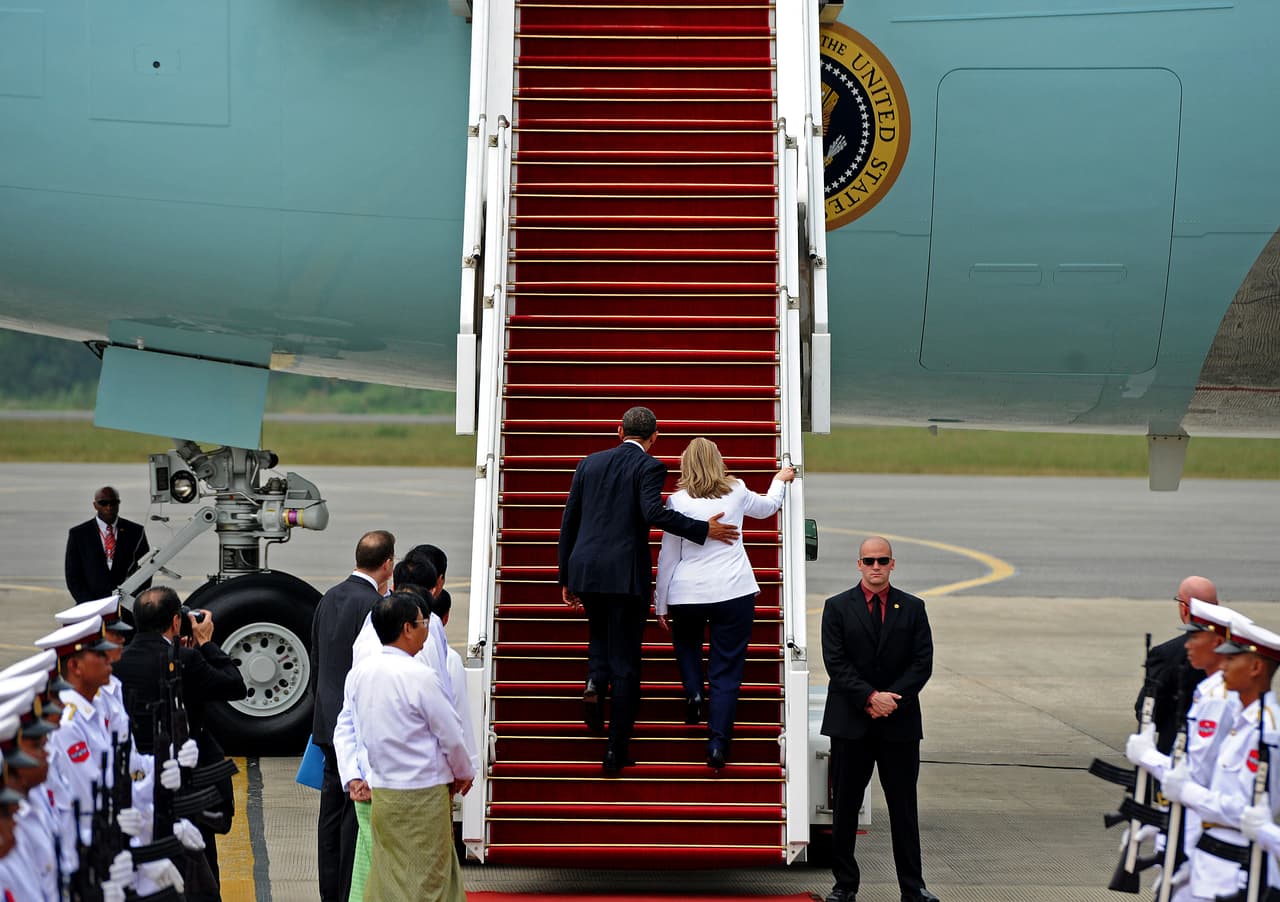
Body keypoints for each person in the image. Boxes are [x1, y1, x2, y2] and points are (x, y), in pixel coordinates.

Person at [558, 406, 739, 775]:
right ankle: (615, 751)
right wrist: (703, 529)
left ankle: (594, 679)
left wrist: (566, 576)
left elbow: (570, 519)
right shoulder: (650, 467)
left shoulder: (587, 464)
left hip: (586, 569)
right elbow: (652, 513)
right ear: (653, 438)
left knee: (598, 632)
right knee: (626, 663)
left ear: (618, 430)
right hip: (624, 576)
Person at [654, 437, 794, 768]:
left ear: (685, 464)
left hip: (687, 592)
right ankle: (717, 744)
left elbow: (668, 556)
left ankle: (694, 691)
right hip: (733, 591)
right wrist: (779, 479)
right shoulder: (737, 490)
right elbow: (768, 507)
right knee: (726, 669)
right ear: (719, 461)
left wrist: (661, 603)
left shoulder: (676, 502)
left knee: (686, 645)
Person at [820, 537, 939, 902]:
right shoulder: (837, 607)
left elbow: (922, 663)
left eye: (882, 560)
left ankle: (913, 887)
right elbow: (836, 663)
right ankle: (844, 885)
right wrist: (870, 697)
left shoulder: (914, 607)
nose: (875, 566)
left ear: (893, 564)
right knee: (844, 809)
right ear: (858, 564)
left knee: (903, 808)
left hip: (898, 725)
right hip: (851, 723)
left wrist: (891, 701)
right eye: (869, 560)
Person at [110, 586, 247, 889]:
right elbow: (235, 686)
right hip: (184, 781)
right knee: (199, 868)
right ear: (175, 622)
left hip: (136, 783)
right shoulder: (186, 660)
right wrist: (206, 644)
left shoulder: (118, 662)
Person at [345, 592, 473, 902]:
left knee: (389, 874)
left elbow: (349, 725)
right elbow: (451, 735)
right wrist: (464, 771)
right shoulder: (420, 676)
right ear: (406, 629)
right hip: (423, 794)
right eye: (423, 623)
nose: (426, 629)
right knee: (430, 878)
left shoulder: (359, 674)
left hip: (385, 791)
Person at [1125, 600, 1247, 889]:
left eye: (1195, 637)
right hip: (1193, 822)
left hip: (1210, 834)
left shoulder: (1219, 697)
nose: (1187, 645)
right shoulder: (1208, 690)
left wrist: (1150, 758)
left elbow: (1197, 775)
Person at [1161, 618, 1280, 901]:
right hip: (1208, 858)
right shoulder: (1241, 723)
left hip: (1238, 868)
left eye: (1232, 659)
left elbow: (1252, 810)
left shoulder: (1269, 732)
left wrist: (1188, 792)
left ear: (1255, 667)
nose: (1222, 665)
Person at [310, 530, 394, 902]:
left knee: (329, 816)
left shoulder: (329, 598)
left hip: (326, 724)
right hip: (353, 726)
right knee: (352, 822)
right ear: (388, 564)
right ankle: (346, 892)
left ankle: (329, 891)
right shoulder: (374, 607)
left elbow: (317, 660)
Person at [1137, 576, 1219, 754]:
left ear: (1184, 608)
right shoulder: (1237, 649)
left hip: (1177, 751)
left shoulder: (1168, 653)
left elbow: (1147, 712)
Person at [64, 487, 151, 605]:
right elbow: (73, 576)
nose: (109, 507)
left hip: (128, 606)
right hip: (92, 607)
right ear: (95, 505)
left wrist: (132, 600)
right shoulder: (79, 534)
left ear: (119, 504)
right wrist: (90, 604)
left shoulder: (136, 531)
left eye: (113, 503)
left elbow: (146, 570)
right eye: (103, 503)